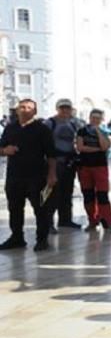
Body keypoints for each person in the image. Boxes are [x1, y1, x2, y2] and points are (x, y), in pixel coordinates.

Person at [0, 99, 56, 251]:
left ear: (35, 111)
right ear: (17, 110)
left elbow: (51, 154)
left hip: (37, 177)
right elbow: (1, 147)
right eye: (22, 107)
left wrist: (52, 175)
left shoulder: (42, 129)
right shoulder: (10, 128)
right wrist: (5, 151)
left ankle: (42, 239)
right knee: (14, 208)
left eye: (30, 108)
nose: (25, 110)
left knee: (41, 208)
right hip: (14, 176)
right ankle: (17, 237)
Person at [74, 108, 111, 233]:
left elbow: (105, 146)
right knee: (88, 195)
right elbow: (81, 147)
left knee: (102, 195)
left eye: (98, 118)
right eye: (93, 117)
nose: (95, 120)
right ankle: (92, 220)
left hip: (100, 167)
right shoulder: (82, 131)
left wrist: (98, 131)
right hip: (85, 166)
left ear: (102, 119)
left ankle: (108, 222)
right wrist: (97, 149)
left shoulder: (107, 131)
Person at [45, 98, 84, 229]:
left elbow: (84, 133)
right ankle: (46, 222)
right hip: (54, 163)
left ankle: (65, 219)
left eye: (67, 108)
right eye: (62, 108)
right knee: (50, 192)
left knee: (67, 192)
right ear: (57, 108)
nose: (65, 110)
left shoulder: (74, 123)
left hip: (69, 163)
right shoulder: (50, 123)